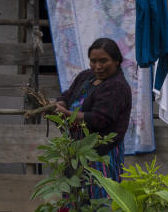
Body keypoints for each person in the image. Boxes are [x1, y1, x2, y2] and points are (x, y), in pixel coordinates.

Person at [55, 38, 132, 198]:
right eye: (93, 61)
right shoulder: (87, 76)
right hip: (77, 150)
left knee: (98, 198)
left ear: (117, 61)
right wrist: (60, 103)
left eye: (104, 61)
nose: (98, 66)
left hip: (101, 152)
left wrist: (68, 115)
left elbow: (98, 119)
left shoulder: (116, 86)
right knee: (74, 197)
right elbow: (69, 94)